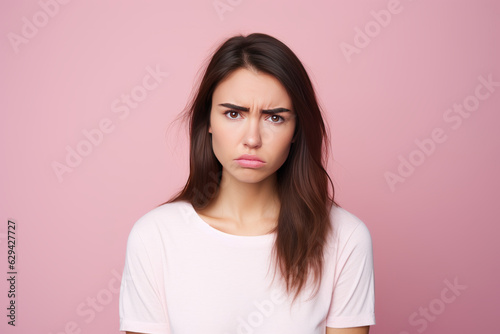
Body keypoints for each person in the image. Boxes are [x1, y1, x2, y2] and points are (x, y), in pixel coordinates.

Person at [119, 32, 375, 334]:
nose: (252, 139)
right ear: (208, 122)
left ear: (296, 130)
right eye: (233, 113)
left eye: (274, 118)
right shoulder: (155, 237)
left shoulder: (345, 237)